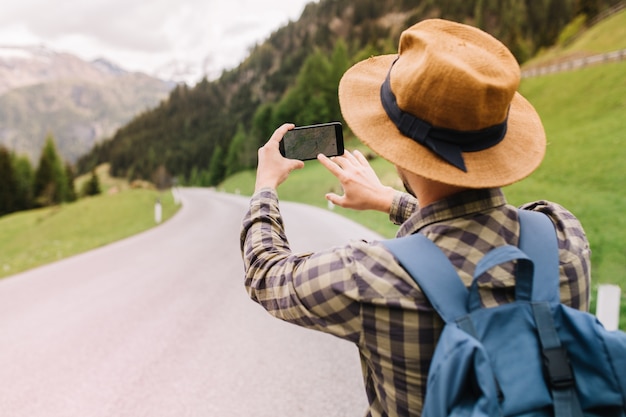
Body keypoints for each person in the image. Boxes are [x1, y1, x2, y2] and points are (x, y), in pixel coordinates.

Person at [240, 19, 590, 417]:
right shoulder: (563, 237)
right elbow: (479, 229)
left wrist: (265, 186)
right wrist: (390, 201)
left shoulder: (370, 277)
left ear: (398, 149)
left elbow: (266, 275)